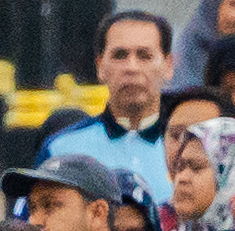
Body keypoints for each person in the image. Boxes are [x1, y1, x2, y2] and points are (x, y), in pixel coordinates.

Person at [39, 11, 177, 210]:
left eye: (144, 56)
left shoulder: (192, 148)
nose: (132, 67)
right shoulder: (61, 149)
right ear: (100, 66)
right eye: (120, 55)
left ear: (168, 65)